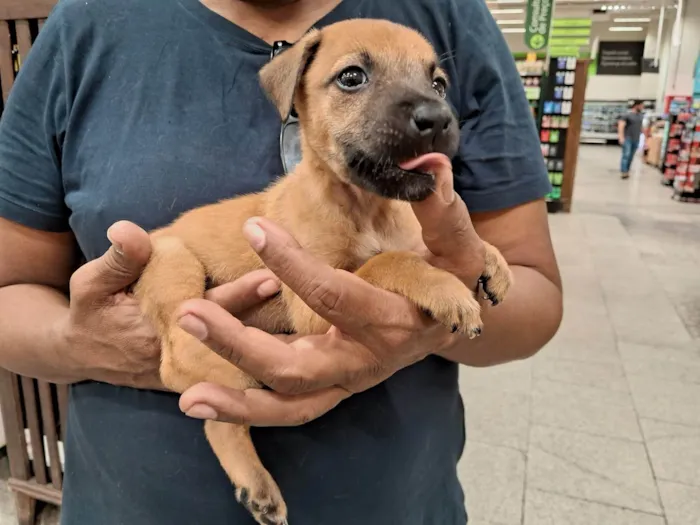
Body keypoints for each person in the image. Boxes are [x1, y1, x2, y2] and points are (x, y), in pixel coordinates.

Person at [0, 0, 563, 524]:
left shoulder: (447, 13)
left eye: (436, 83)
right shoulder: (86, 24)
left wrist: (460, 286)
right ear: (296, 96)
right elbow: (319, 310)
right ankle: (233, 442)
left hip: (398, 499)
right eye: (353, 78)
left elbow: (523, 293)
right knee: (172, 263)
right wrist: (92, 340)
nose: (430, 107)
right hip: (135, 498)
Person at [618, 100, 645, 179]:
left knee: (631, 156)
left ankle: (627, 170)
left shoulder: (641, 116)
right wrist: (621, 137)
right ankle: (624, 171)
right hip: (627, 138)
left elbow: (641, 127)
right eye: (641, 106)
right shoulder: (627, 115)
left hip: (636, 138)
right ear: (636, 106)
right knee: (626, 155)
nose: (642, 107)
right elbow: (621, 125)